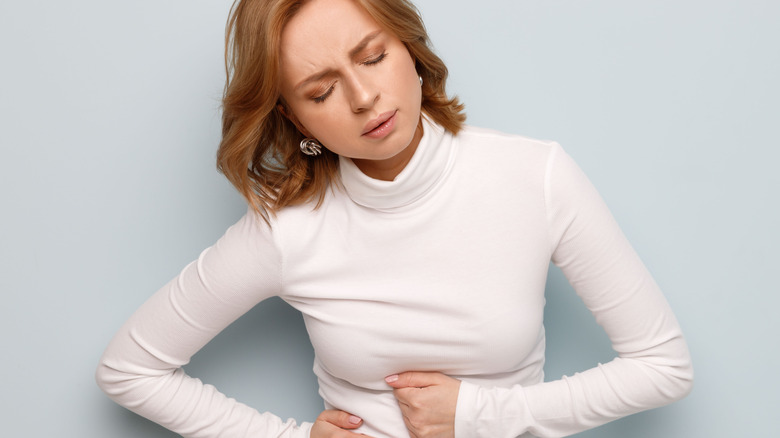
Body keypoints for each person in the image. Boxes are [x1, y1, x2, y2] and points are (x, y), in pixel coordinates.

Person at [95, 0, 694, 437]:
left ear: (409, 48)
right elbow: (129, 370)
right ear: (297, 121)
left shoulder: (535, 176)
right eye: (321, 91)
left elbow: (663, 368)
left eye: (373, 56)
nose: (363, 98)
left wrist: (478, 414)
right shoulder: (290, 230)